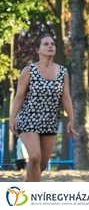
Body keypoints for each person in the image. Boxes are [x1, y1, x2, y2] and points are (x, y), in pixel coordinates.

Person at [9, 33, 74, 182]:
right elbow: (19, 96)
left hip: (50, 120)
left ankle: (21, 196)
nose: (50, 46)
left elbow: (65, 97)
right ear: (37, 50)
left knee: (42, 164)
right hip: (28, 119)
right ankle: (35, 200)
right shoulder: (28, 71)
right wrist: (13, 118)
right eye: (46, 44)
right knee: (34, 157)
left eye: (52, 44)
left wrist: (71, 119)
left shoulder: (62, 72)